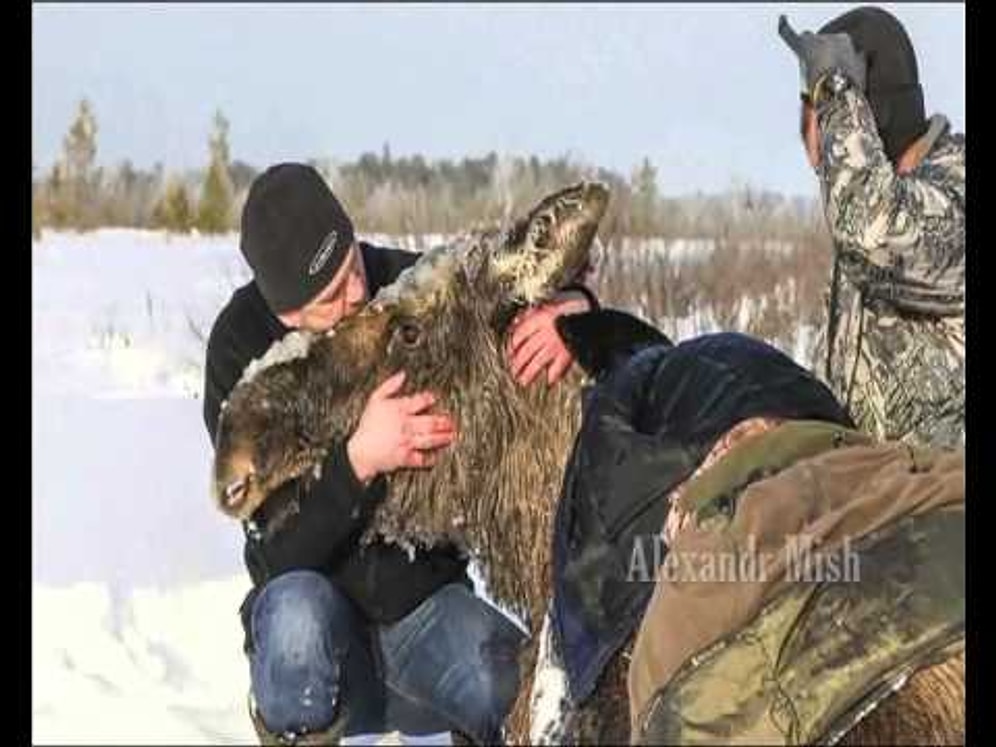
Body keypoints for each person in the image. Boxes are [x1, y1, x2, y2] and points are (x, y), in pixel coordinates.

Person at [202, 163, 596, 744]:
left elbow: (497, 294)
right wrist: (359, 462)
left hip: (425, 610)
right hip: (319, 627)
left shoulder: (403, 287)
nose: (357, 292)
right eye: (331, 295)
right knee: (292, 618)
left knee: (519, 694)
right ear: (287, 316)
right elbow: (274, 557)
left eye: (352, 265)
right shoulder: (240, 349)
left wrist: (575, 307)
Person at [779, 7, 965, 448]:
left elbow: (872, 230)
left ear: (863, 112)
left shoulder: (953, 195)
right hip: (886, 502)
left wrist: (835, 90)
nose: (809, 132)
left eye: (816, 109)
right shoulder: (882, 202)